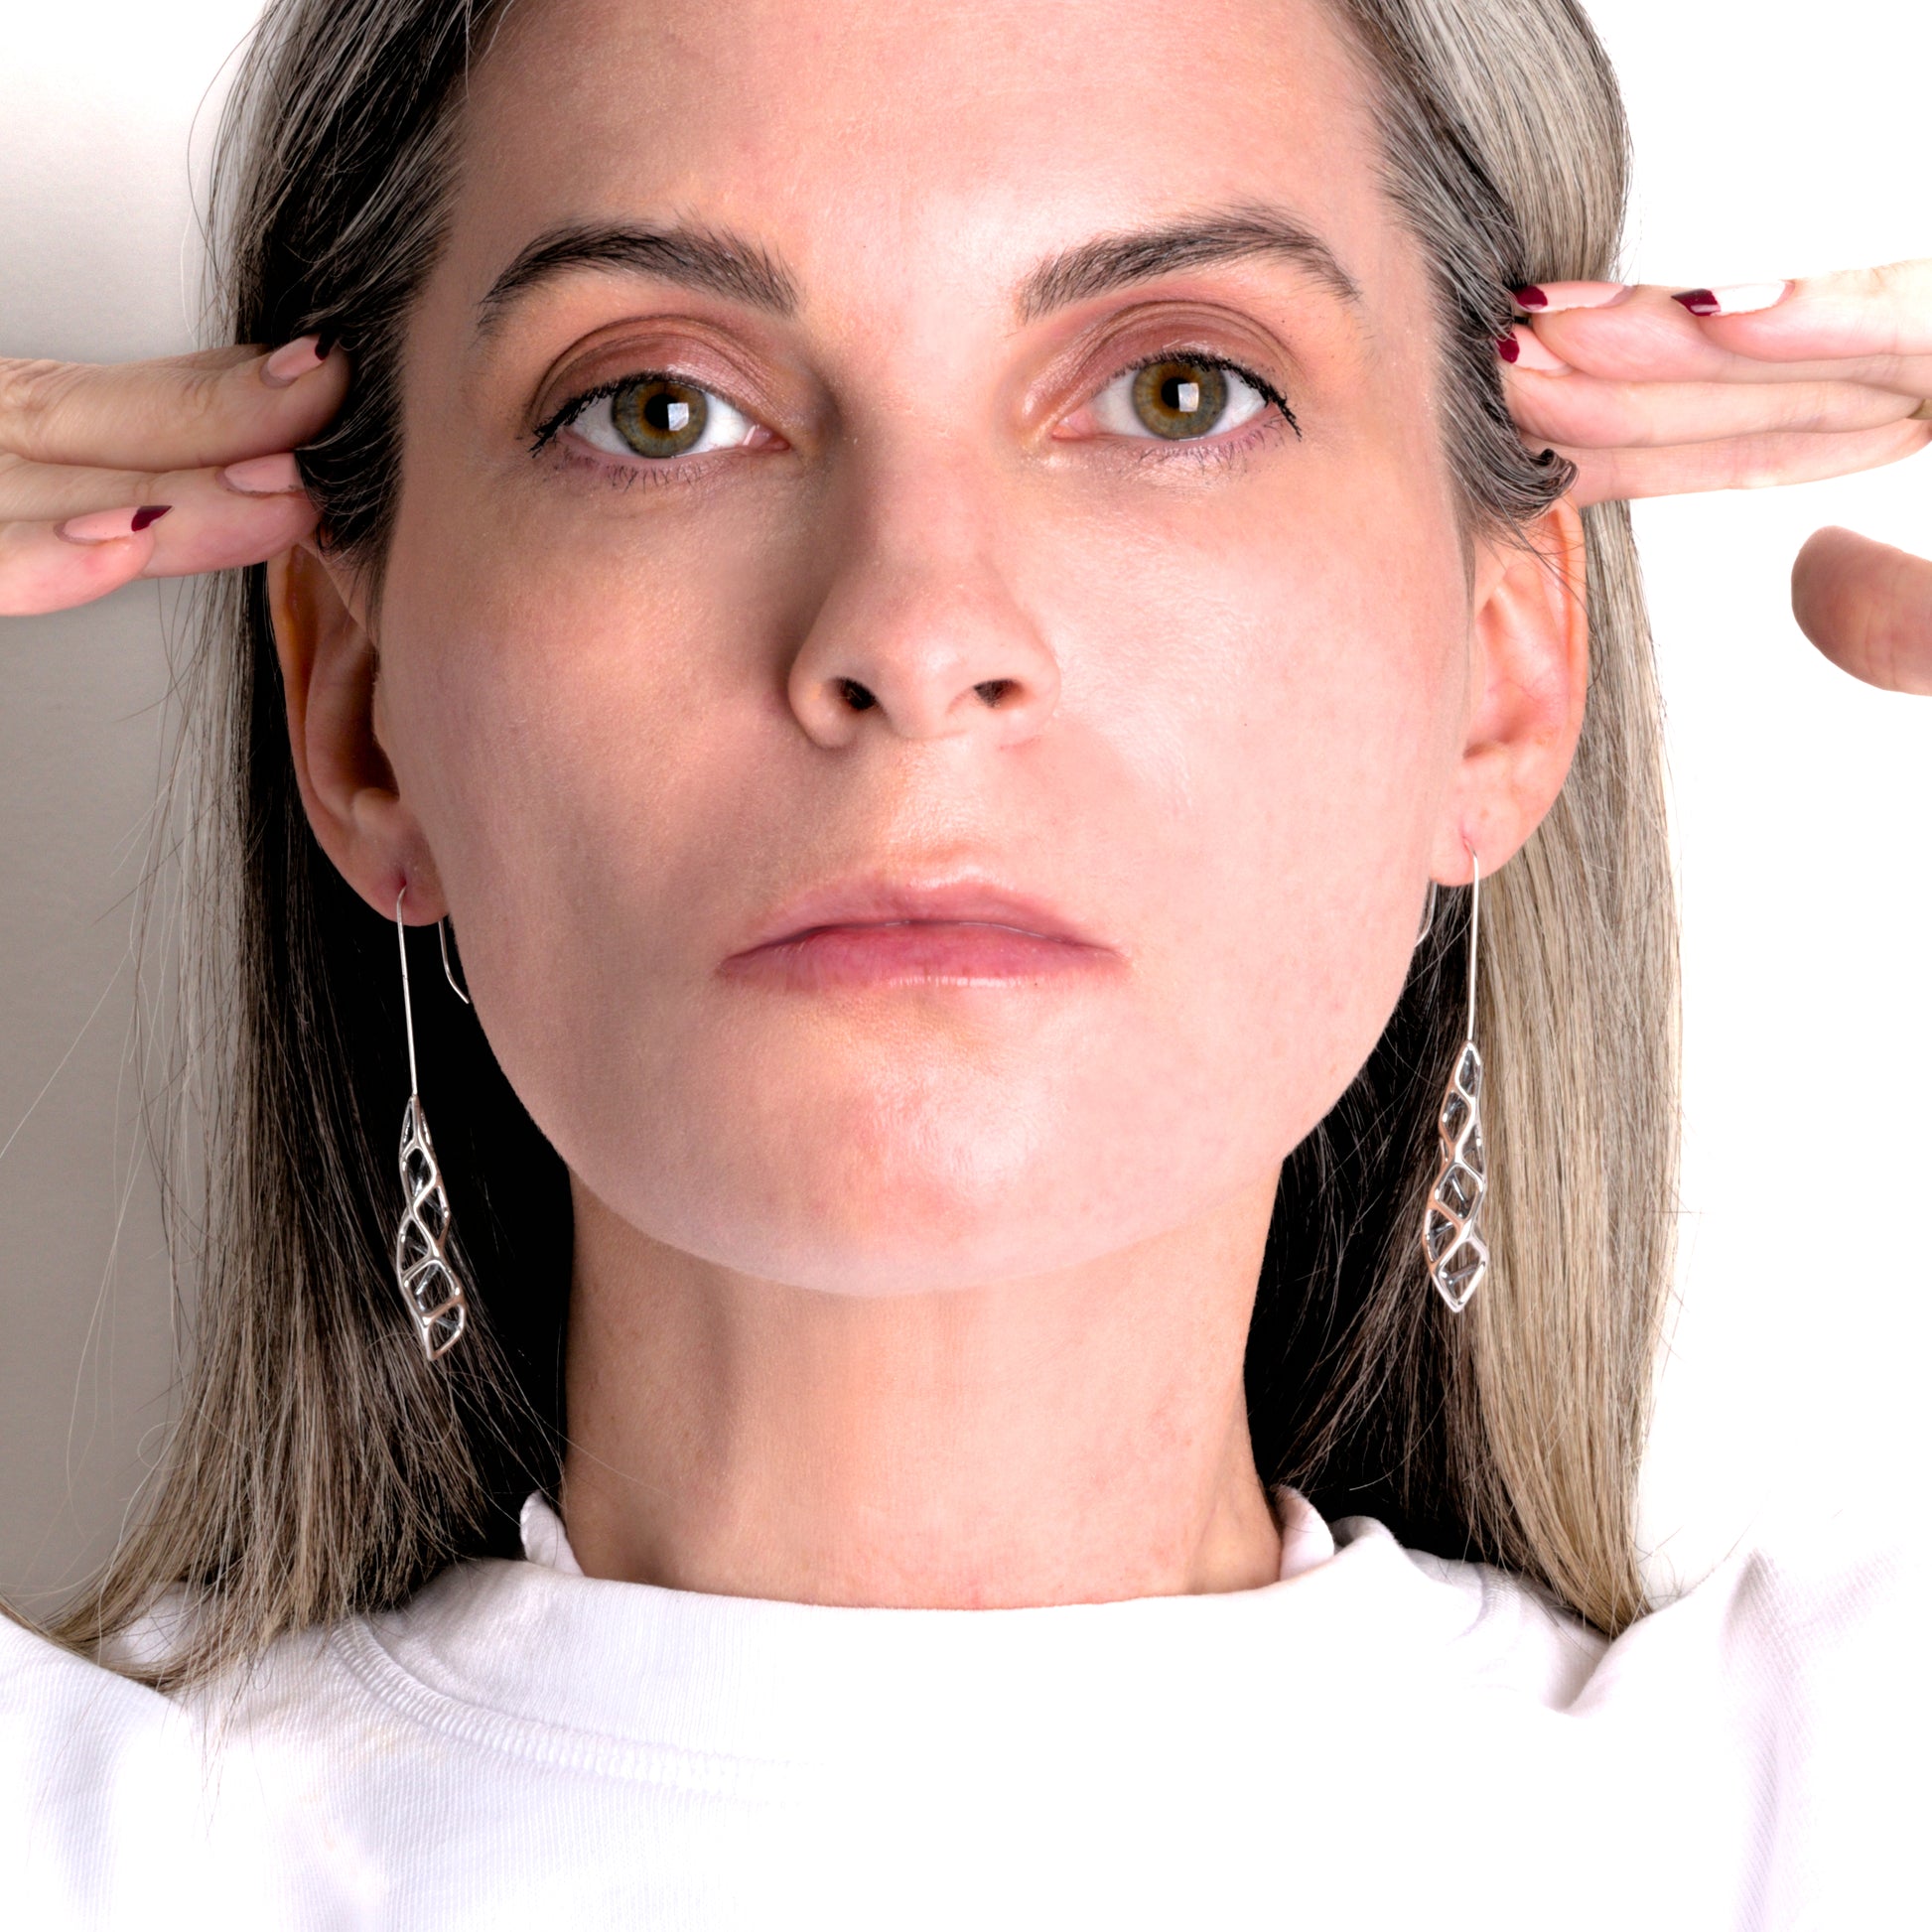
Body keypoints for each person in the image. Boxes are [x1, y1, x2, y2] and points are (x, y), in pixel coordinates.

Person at [0, 0, 1923, 1923]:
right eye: (657, 408)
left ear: (1501, 685)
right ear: (359, 714)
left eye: (1178, 389)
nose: (916, 632)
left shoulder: (1826, 1806)